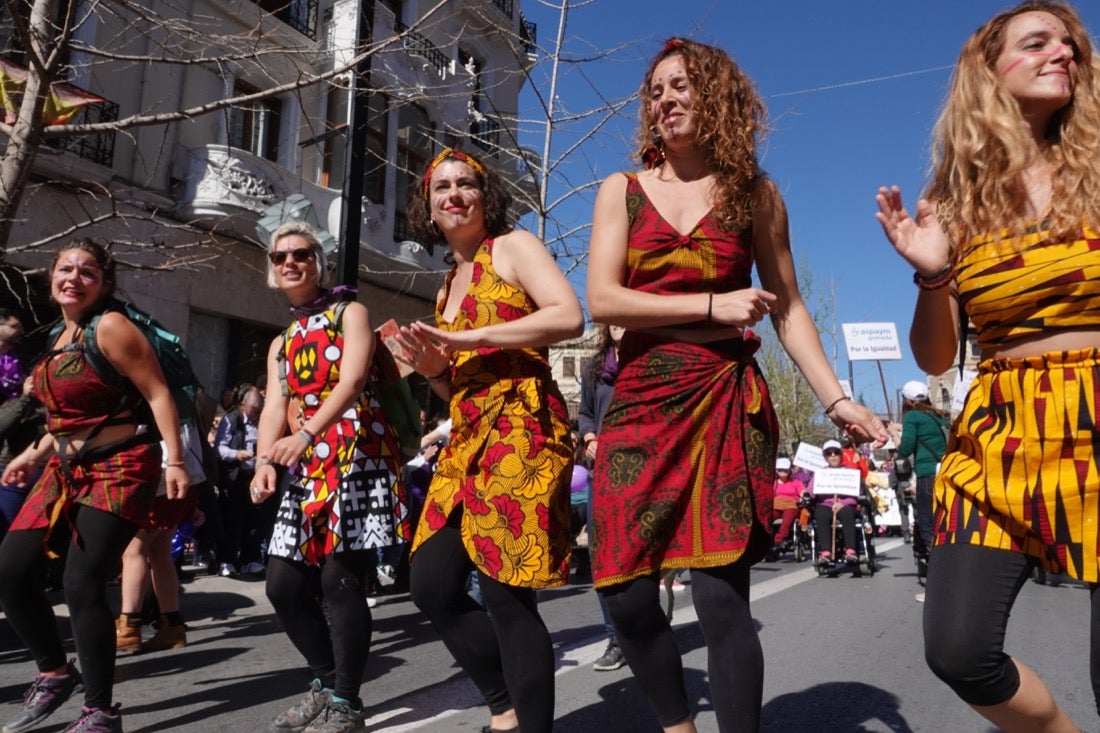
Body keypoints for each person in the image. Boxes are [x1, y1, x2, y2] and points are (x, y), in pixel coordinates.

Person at [586, 37, 887, 733]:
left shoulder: (757, 194)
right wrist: (711, 305)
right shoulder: (621, 192)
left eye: (680, 85)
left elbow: (790, 307)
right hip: (640, 399)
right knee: (625, 592)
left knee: (721, 598)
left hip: (723, 398)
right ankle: (677, 723)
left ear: (716, 96)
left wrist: (836, 398)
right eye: (655, 91)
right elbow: (602, 300)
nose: (664, 99)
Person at [876, 2, 1100, 728]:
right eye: (1037, 43)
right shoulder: (955, 198)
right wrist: (932, 275)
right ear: (988, 73)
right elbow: (937, 355)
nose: (1061, 53)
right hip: (998, 426)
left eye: (1069, 45)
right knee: (959, 646)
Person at [395, 147, 583, 733]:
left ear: (485, 194)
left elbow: (569, 315)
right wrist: (431, 369)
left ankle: (528, 727)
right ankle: (504, 705)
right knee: (430, 583)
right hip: (468, 437)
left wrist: (473, 337)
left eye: (465, 184)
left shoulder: (514, 246)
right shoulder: (447, 282)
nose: (454, 194)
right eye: (441, 188)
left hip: (523, 428)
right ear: (428, 209)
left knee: (506, 594)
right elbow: (459, 384)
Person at [0, 239, 189, 733]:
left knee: (81, 582)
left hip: (122, 466)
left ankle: (100, 711)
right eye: (66, 269)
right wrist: (32, 453)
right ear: (51, 278)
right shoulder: (57, 338)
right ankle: (55, 672)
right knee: (11, 571)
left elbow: (158, 393)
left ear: (103, 283)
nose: (74, 278)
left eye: (87, 271)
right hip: (63, 470)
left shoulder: (111, 326)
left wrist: (175, 459)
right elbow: (66, 418)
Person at [249, 221, 410, 733]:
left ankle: (347, 702)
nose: (290, 262)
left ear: (319, 261)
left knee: (338, 579)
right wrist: (263, 463)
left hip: (357, 453)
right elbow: (275, 406)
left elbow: (354, 378)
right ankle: (326, 680)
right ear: (272, 270)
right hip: (309, 463)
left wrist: (308, 433)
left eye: (300, 253)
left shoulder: (350, 312)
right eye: (280, 257)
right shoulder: (283, 341)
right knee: (281, 585)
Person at [577, 324, 628, 672]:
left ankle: (643, 628)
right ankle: (616, 639)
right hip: (602, 474)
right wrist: (589, 436)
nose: (618, 324)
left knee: (636, 555)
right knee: (602, 557)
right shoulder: (594, 368)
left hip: (643, 471)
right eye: (611, 318)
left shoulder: (648, 362)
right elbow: (584, 413)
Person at [886, 380, 948, 587]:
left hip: (927, 473)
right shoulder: (939, 415)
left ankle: (937, 566)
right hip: (948, 472)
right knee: (946, 518)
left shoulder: (912, 416)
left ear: (907, 400)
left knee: (926, 520)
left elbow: (906, 449)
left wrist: (895, 435)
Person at [213, 382, 264, 577]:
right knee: (231, 520)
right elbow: (219, 448)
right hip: (234, 477)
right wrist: (236, 454)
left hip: (254, 475)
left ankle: (250, 559)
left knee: (253, 520)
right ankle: (227, 560)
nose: (256, 413)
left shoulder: (262, 421)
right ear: (243, 405)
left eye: (259, 409)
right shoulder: (231, 420)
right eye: (253, 409)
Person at [811, 440, 863, 564]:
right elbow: (811, 491)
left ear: (841, 454)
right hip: (826, 504)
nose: (833, 455)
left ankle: (850, 550)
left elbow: (858, 492)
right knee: (820, 514)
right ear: (825, 457)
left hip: (846, 504)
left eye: (836, 452)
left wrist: (843, 503)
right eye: (829, 453)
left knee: (847, 513)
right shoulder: (820, 473)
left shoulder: (850, 472)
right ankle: (825, 552)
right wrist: (805, 493)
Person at [772, 456, 807, 551]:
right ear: (776, 470)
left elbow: (803, 492)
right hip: (777, 506)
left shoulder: (796, 482)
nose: (782, 471)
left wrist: (803, 496)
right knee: (767, 516)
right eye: (780, 470)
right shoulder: (774, 483)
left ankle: (780, 538)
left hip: (791, 506)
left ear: (789, 470)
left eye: (785, 470)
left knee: (789, 514)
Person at [886, 447, 914, 543]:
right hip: (912, 485)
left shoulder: (897, 458)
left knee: (903, 510)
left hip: (900, 487)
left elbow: (892, 476)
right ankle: (918, 529)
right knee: (916, 508)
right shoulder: (912, 456)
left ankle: (906, 533)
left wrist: (893, 486)